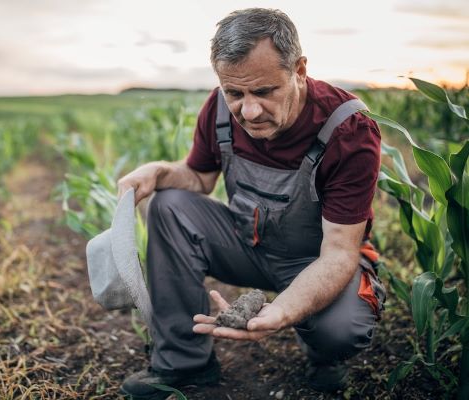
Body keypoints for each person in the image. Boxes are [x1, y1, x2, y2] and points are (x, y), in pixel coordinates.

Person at [116, 8, 385, 399]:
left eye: (264, 91)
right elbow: (199, 178)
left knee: (341, 331)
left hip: (316, 259)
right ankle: (184, 363)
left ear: (299, 69)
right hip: (248, 245)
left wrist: (281, 312)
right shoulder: (219, 108)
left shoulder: (348, 131)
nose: (249, 111)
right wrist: (158, 172)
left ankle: (322, 352)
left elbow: (339, 255)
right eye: (235, 93)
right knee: (169, 204)